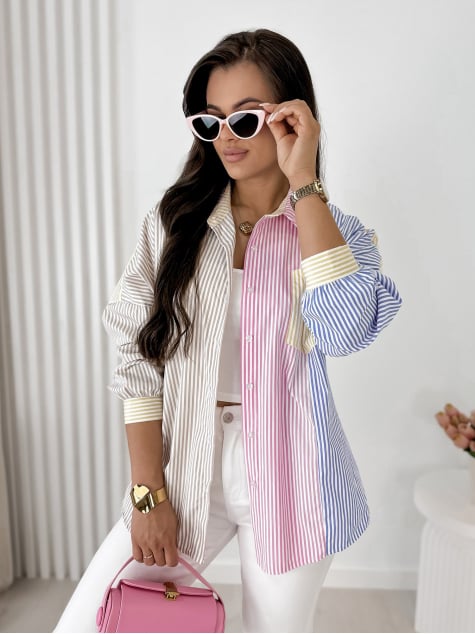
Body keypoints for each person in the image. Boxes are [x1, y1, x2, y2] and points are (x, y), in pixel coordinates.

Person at [55, 28, 402, 633]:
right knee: (87, 623)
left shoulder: (336, 233)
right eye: (210, 122)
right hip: (186, 464)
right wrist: (147, 494)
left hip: (295, 477)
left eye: (244, 119)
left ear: (292, 118)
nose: (225, 138)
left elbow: (345, 332)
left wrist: (305, 183)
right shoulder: (175, 224)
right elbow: (138, 361)